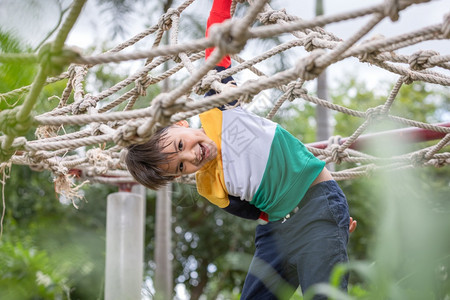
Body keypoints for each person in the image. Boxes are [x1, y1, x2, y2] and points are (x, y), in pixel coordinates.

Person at [125, 0, 356, 298]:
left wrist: (332, 224)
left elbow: (216, 45)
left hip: (317, 204)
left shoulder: (217, 108)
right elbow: (255, 212)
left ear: (181, 122)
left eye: (181, 145)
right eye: (181, 166)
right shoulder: (209, 187)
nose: (190, 156)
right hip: (276, 231)